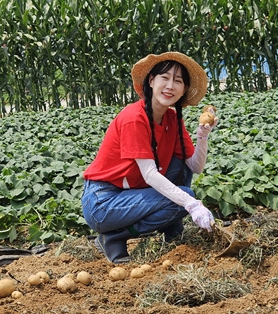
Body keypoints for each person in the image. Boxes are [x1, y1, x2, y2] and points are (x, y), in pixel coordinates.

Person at [81, 51, 218, 263]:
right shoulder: (134, 118)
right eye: (165, 78)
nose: (170, 86)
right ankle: (115, 236)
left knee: (180, 168)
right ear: (152, 81)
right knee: (183, 197)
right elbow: (150, 174)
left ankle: (172, 229)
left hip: (131, 193)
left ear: (183, 90)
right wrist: (192, 204)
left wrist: (202, 137)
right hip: (103, 202)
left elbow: (195, 167)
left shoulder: (172, 118)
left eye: (178, 81)